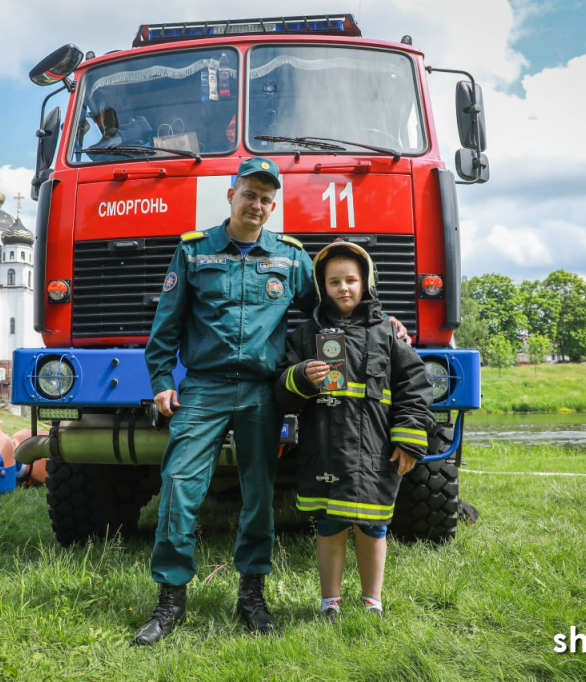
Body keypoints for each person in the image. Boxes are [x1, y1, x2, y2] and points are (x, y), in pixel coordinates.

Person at [135, 157, 409, 646]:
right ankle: (170, 600)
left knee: (258, 493)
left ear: (273, 205)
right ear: (231, 195)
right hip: (204, 388)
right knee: (179, 488)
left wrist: (382, 322)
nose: (256, 205)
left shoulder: (289, 257)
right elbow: (166, 327)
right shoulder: (194, 253)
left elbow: (330, 303)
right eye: (249, 195)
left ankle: (252, 595)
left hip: (262, 391)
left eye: (266, 199)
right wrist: (161, 380)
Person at [274, 240, 434, 621]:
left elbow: (415, 386)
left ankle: (372, 602)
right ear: (322, 287)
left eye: (351, 280)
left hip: (375, 450)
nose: (343, 288)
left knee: (374, 525)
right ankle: (330, 603)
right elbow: (280, 390)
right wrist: (300, 377)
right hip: (323, 448)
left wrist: (409, 439)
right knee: (329, 525)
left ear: (366, 282)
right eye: (334, 282)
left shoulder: (388, 334)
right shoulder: (304, 334)